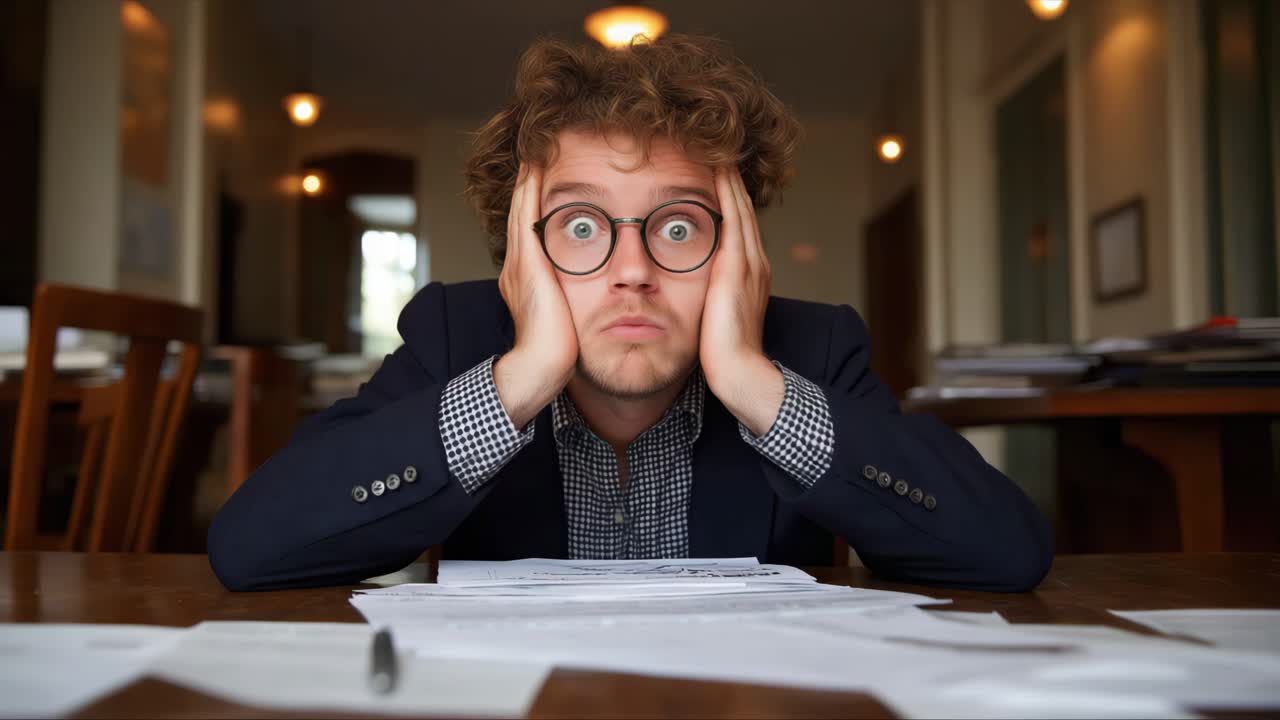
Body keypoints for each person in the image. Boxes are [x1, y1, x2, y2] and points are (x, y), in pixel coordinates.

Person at [209, 34, 1052, 592]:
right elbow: (250, 547)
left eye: (679, 226)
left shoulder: (812, 347)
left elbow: (1009, 554)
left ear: (740, 249)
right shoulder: (458, 335)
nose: (633, 271)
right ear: (521, 253)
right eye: (581, 227)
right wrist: (520, 381)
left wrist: (755, 385)